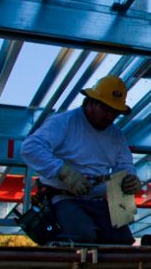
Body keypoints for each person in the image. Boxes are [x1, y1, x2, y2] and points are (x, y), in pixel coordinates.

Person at [21, 75, 143, 245]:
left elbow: (124, 164)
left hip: (98, 201)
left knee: (122, 241)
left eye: (114, 112)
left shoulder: (116, 134)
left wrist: (130, 178)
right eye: (106, 109)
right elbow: (30, 147)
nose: (110, 116)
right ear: (91, 102)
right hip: (63, 197)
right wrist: (63, 172)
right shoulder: (65, 122)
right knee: (82, 238)